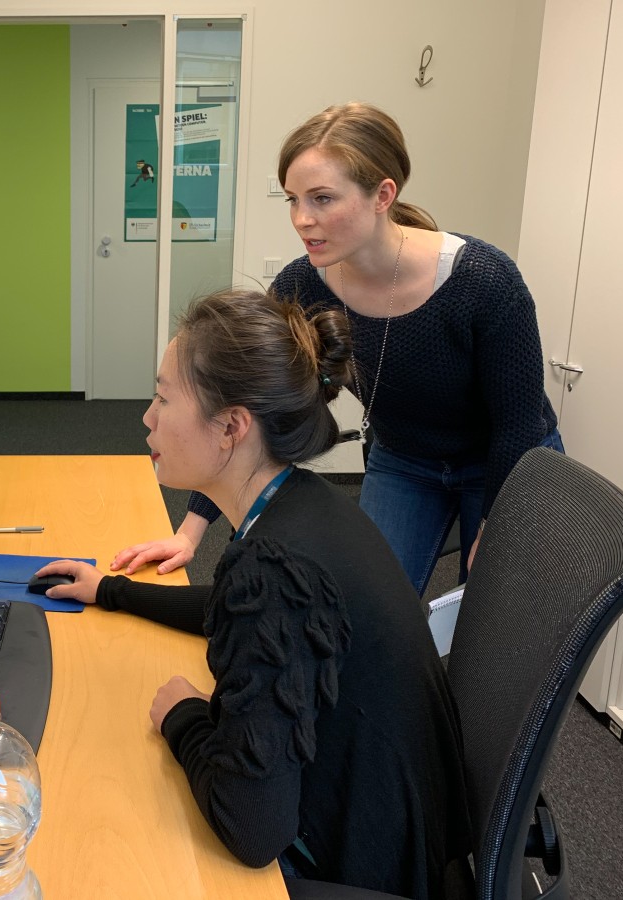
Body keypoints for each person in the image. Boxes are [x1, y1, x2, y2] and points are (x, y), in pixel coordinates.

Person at [36, 289, 471, 898]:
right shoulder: (306, 508)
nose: (147, 417)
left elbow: (252, 827)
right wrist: (112, 592)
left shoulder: (274, 568)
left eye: (163, 397)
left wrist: (184, 717)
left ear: (232, 428)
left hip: (363, 867)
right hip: (398, 823)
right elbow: (237, 609)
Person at [113, 102, 563, 597]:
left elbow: (518, 425)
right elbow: (252, 406)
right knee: (360, 601)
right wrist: (189, 532)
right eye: (293, 199)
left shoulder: (482, 279)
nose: (302, 219)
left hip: (505, 458)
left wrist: (495, 527)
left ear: (382, 195)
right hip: (405, 459)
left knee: (489, 614)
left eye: (323, 198)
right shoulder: (303, 285)